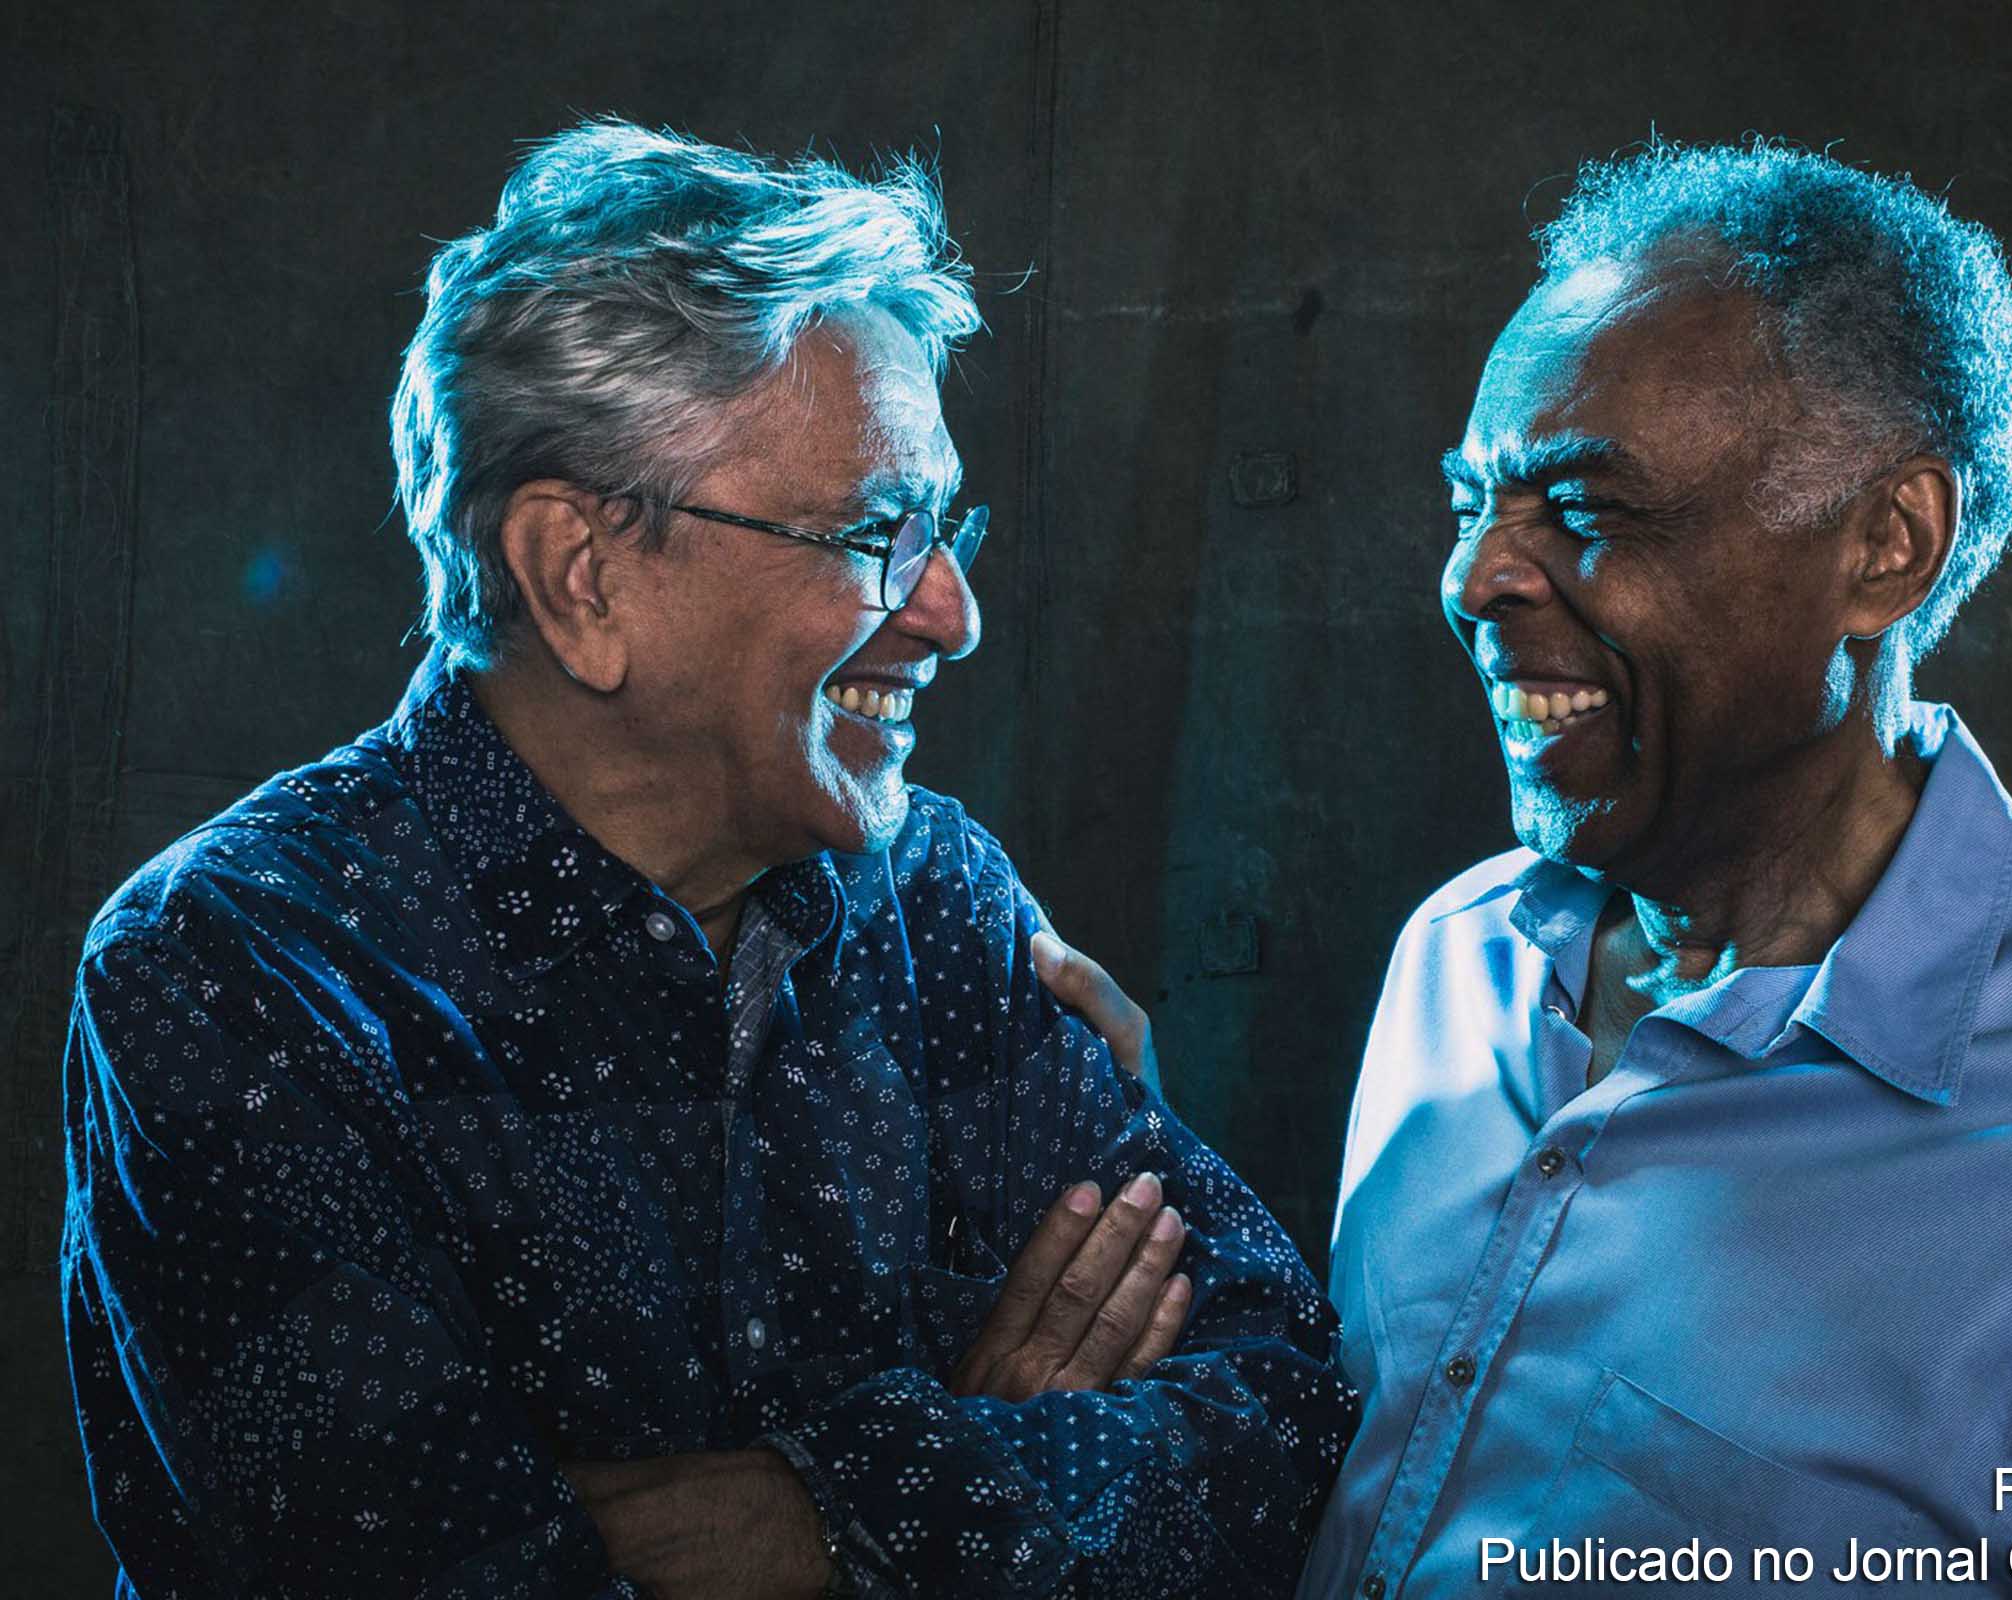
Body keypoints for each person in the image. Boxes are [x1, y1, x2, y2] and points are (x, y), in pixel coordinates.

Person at [59, 118, 1353, 1600]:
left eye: (947, 531)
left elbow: (1280, 1404)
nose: (954, 615)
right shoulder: (238, 976)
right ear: (583, 575)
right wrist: (997, 1473)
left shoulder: (939, 891)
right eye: (878, 530)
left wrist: (815, 1516)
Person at [1286, 140, 2012, 1597]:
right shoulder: (1456, 962)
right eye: (1471, 502)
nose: (1476, 578)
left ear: (1888, 547)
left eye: (1589, 510)